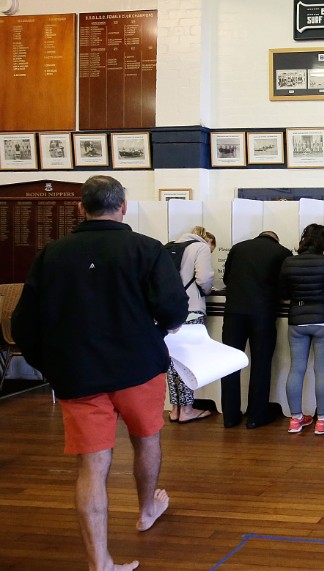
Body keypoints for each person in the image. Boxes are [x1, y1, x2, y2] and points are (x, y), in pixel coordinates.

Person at [12, 175, 188, 571]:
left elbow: (23, 325)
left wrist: (50, 365)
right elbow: (174, 311)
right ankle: (146, 510)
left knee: (91, 465)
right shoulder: (146, 249)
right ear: (123, 206)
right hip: (139, 368)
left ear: (80, 207)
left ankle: (101, 564)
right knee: (147, 440)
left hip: (79, 374)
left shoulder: (52, 254)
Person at [220, 230, 291, 429]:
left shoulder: (238, 248)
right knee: (261, 363)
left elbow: (226, 279)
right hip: (263, 313)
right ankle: (256, 416)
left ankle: (230, 416)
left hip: (234, 313)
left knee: (230, 364)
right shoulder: (282, 252)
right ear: (276, 239)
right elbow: (284, 288)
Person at [279, 224, 324, 435]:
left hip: (297, 319)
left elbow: (285, 291)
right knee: (321, 370)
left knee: (296, 368)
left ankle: (296, 419)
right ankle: (322, 420)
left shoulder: (289, 262)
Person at [167, 226, 216, 424]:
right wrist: (205, 291)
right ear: (209, 241)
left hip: (168, 310)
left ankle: (175, 409)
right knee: (187, 360)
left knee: (172, 361)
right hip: (190, 308)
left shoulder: (170, 246)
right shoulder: (200, 248)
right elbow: (205, 278)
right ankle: (187, 410)